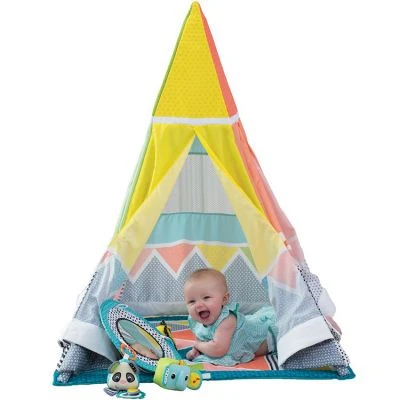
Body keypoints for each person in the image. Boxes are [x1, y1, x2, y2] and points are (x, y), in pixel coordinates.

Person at [183, 268, 277, 366]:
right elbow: (203, 339)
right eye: (192, 301)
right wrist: (196, 350)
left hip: (267, 334)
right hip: (228, 341)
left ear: (224, 299)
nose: (198, 305)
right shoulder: (198, 321)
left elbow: (218, 350)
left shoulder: (227, 320)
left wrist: (198, 345)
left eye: (206, 298)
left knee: (281, 336)